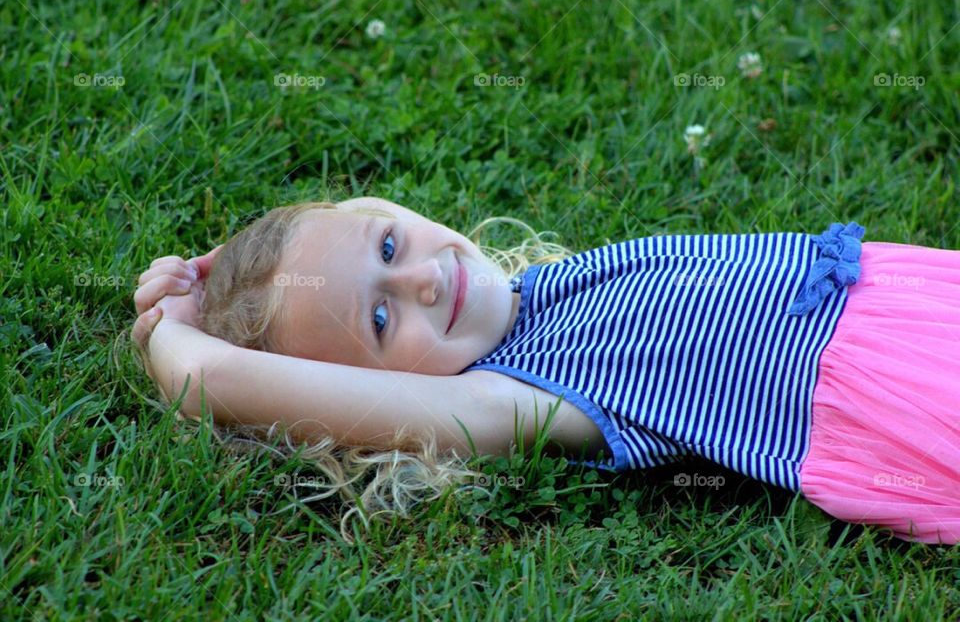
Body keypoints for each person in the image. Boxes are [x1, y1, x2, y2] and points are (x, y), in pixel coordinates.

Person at [130, 196, 960, 545]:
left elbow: (344, 229)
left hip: (911, 304)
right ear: (392, 389)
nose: (423, 279)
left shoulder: (543, 293)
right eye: (381, 320)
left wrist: (219, 272)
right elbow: (215, 384)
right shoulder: (512, 397)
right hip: (904, 395)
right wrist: (176, 342)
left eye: (389, 245)